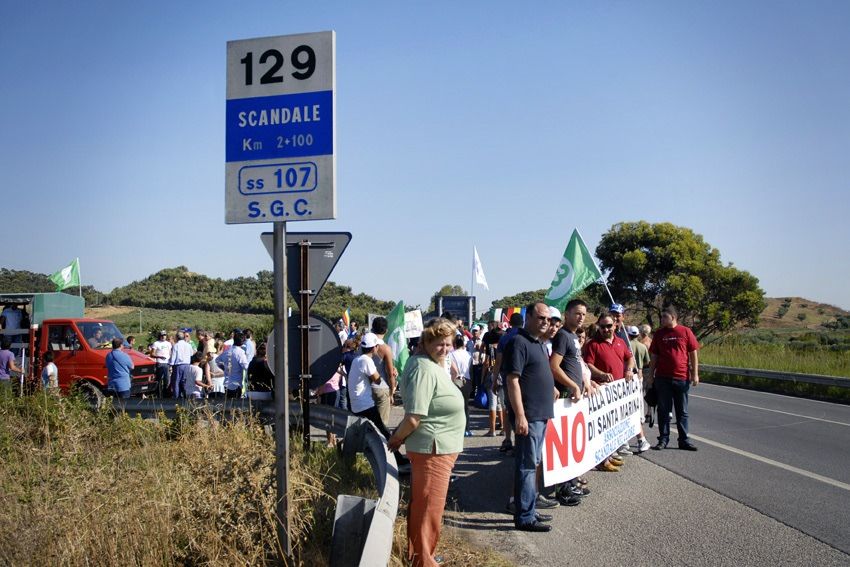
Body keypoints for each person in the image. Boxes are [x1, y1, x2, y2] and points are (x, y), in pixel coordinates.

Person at [388, 318, 464, 567]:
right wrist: (396, 440)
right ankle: (424, 561)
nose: (445, 349)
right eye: (439, 344)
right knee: (429, 509)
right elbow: (413, 417)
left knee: (425, 505)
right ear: (426, 342)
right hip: (433, 449)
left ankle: (421, 555)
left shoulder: (429, 363)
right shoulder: (423, 368)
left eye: (449, 344)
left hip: (437, 448)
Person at [503, 302, 558, 532]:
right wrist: (520, 416)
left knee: (533, 463)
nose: (545, 322)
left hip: (540, 416)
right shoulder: (519, 342)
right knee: (526, 466)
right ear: (528, 317)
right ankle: (524, 517)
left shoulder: (539, 343)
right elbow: (512, 380)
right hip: (530, 416)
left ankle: (530, 509)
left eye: (548, 319)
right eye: (541, 318)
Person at [582, 313, 641, 469]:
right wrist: (601, 374)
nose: (606, 329)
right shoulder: (593, 344)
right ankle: (602, 461)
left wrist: (629, 370)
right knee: (601, 430)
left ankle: (608, 456)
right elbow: (588, 365)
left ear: (615, 325)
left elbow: (630, 358)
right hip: (601, 392)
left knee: (613, 427)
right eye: (603, 326)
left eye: (609, 326)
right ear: (598, 327)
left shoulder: (621, 342)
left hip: (617, 394)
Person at [649, 306, 700, 451]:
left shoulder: (685, 331)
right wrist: (651, 376)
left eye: (665, 316)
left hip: (681, 378)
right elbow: (654, 356)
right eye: (662, 317)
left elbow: (693, 353)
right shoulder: (659, 334)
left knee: (682, 411)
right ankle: (663, 439)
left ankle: (684, 440)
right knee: (663, 410)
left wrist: (695, 373)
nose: (662, 319)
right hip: (662, 378)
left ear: (673, 317)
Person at [370, 317, 397, 424]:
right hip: (382, 387)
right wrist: (391, 392)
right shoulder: (385, 348)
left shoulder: (364, 346)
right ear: (386, 330)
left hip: (366, 386)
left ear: (372, 329)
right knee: (382, 423)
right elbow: (390, 373)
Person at [628, 325, 653, 431]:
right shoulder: (646, 344)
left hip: (630, 372)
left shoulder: (627, 345)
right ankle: (645, 414)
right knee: (644, 393)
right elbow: (648, 360)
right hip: (643, 371)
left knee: (633, 395)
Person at [449, 334, 473, 436]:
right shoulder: (468, 354)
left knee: (455, 406)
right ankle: (467, 429)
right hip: (467, 380)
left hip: (456, 380)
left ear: (454, 344)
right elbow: (471, 369)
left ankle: (456, 428)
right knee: (466, 406)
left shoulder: (451, 354)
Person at [215, 330, 249, 399]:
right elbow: (246, 366)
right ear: (242, 342)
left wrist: (224, 368)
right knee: (235, 405)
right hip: (236, 383)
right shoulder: (240, 353)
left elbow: (217, 360)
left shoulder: (227, 351)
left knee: (227, 404)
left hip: (226, 382)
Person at [169, 330, 194, 398]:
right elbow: (191, 353)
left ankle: (176, 396)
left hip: (178, 365)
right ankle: (186, 396)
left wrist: (171, 364)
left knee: (177, 381)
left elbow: (173, 356)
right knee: (185, 381)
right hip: (187, 365)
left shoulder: (176, 345)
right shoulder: (188, 345)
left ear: (177, 337)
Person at [149, 330, 172, 398]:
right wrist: (159, 356)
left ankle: (166, 395)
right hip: (159, 363)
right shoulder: (156, 343)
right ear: (160, 336)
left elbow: (170, 353)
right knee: (158, 380)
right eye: (162, 335)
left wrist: (171, 362)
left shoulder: (168, 343)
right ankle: (158, 395)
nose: (163, 337)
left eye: (164, 335)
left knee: (167, 380)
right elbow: (152, 354)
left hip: (167, 363)